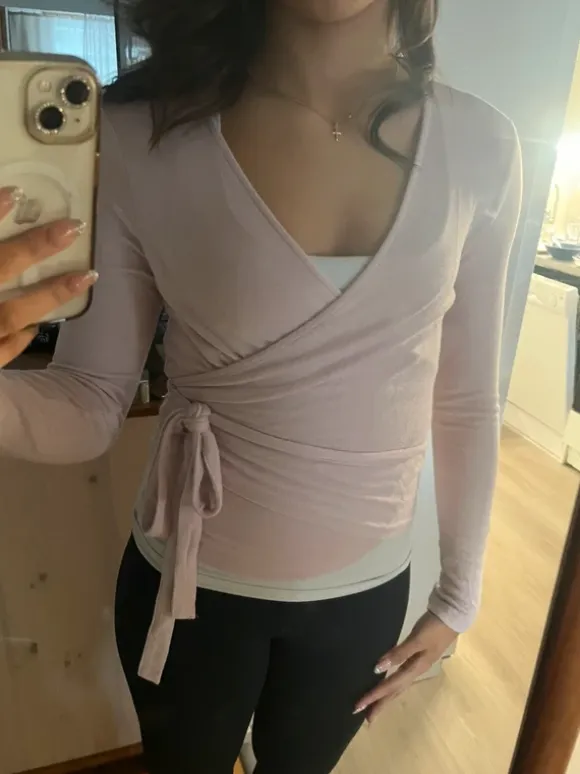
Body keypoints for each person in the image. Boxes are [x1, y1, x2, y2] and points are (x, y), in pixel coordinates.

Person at [0, 0, 522, 772]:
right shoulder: (139, 134)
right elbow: (86, 401)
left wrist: (460, 593)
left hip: (365, 594)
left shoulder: (482, 145)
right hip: (190, 594)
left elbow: (467, 399)